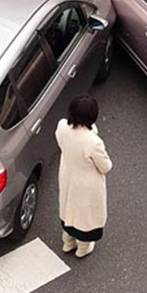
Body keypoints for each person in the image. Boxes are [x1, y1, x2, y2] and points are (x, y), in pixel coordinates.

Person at [55, 95, 112, 258]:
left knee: (68, 208)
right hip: (87, 184)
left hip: (67, 175)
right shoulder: (93, 142)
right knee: (85, 216)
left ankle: (67, 242)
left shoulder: (61, 127)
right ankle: (83, 248)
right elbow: (106, 166)